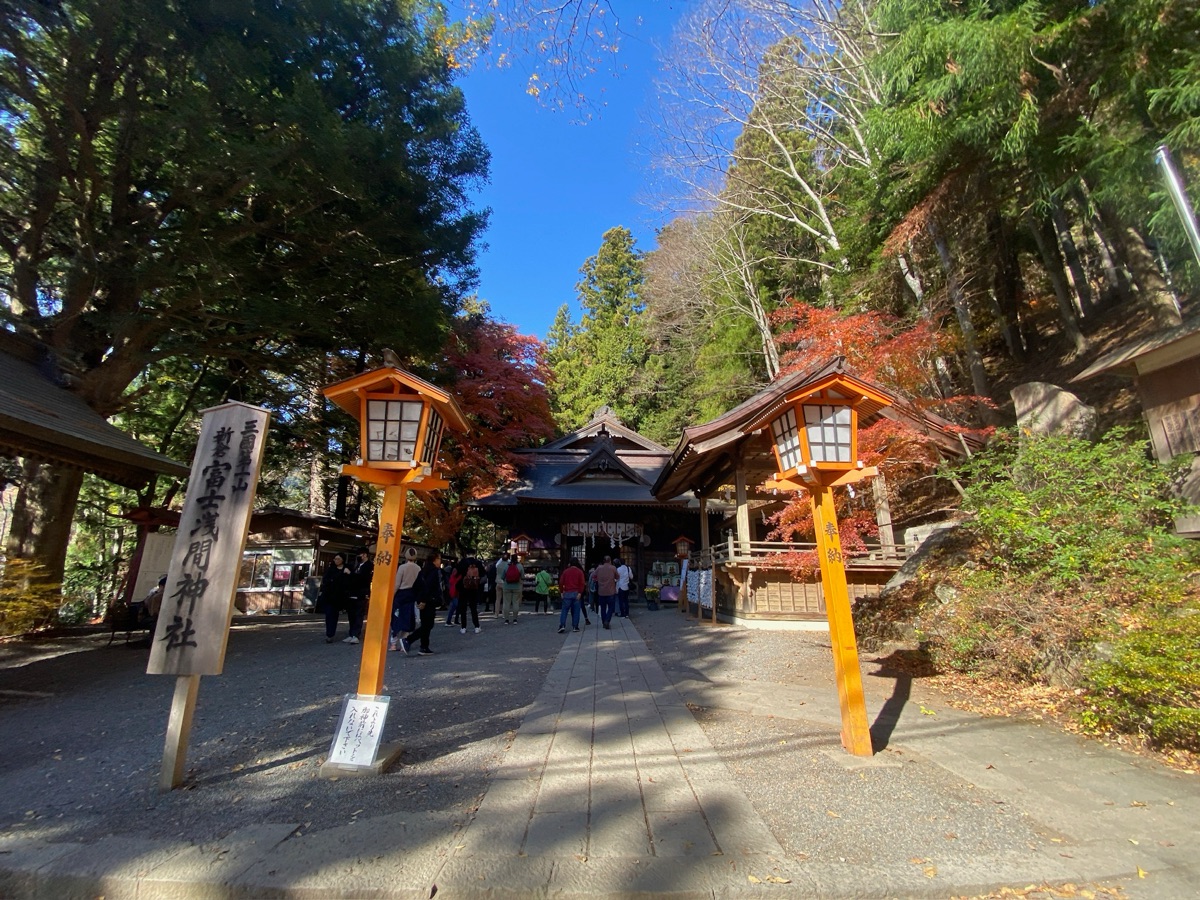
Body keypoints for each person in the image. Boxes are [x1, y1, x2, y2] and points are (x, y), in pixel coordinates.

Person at [403, 551, 443, 655]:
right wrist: (424, 600)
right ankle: (408, 640)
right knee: (428, 624)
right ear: (435, 560)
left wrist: (418, 599)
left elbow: (416, 586)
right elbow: (428, 587)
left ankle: (424, 647)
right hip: (428, 600)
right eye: (439, 559)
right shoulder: (434, 571)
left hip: (423, 600)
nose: (440, 561)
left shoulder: (423, 570)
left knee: (426, 624)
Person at [390, 548, 421, 652]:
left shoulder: (402, 567)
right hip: (412, 595)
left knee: (396, 618)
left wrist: (392, 595)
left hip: (401, 595)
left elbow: (397, 584)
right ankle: (404, 641)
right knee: (408, 619)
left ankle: (393, 643)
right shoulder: (418, 568)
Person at [318, 553, 352, 643]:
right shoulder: (331, 570)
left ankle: (333, 633)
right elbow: (327, 581)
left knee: (335, 615)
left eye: (338, 559)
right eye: (335, 559)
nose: (336, 560)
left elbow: (350, 581)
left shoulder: (347, 568)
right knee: (330, 615)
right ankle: (330, 634)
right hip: (329, 596)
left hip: (340, 597)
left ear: (342, 560)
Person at [344, 546, 372, 644]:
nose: (358, 557)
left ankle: (356, 634)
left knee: (358, 614)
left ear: (364, 555)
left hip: (361, 593)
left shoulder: (369, 566)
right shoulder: (357, 565)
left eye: (359, 555)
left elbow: (362, 579)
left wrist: (350, 574)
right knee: (351, 614)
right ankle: (351, 633)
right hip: (352, 592)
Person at [456, 555, 484, 634]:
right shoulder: (478, 563)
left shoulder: (462, 562)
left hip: (463, 587)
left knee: (463, 608)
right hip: (474, 588)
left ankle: (463, 627)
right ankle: (476, 626)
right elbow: (482, 573)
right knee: (473, 608)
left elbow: (457, 573)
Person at [557, 558, 586, 633]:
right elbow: (582, 583)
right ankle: (575, 626)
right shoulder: (579, 572)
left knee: (564, 610)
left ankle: (562, 625)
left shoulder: (566, 571)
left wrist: (561, 592)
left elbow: (561, 582)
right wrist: (580, 593)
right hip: (576, 592)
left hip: (567, 592)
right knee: (576, 610)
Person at [593, 555, 618, 629]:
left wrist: (598, 580)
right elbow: (617, 577)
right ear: (610, 561)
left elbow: (593, 575)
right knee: (611, 607)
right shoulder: (613, 568)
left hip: (601, 591)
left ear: (604, 561)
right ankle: (607, 620)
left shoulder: (599, 568)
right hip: (610, 590)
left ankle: (604, 621)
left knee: (603, 608)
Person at [500, 553, 524, 625]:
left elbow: (502, 577)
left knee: (506, 603)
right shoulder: (520, 566)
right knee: (515, 603)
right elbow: (522, 577)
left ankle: (506, 619)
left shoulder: (507, 566)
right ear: (517, 559)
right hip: (516, 587)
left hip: (507, 587)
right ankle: (515, 619)